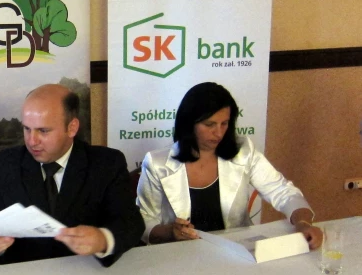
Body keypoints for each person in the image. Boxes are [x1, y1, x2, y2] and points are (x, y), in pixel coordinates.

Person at [137, 82, 323, 248]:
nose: (219, 133)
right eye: (209, 124)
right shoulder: (157, 163)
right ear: (189, 124)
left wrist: (303, 223)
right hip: (181, 255)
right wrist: (171, 232)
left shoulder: (244, 151)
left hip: (236, 251)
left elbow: (282, 191)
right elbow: (143, 221)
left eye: (224, 123)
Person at [0, 84, 145, 266]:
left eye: (43, 131)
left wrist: (103, 239)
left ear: (72, 128)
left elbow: (130, 223)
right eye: (27, 129)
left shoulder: (106, 164)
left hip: (87, 274)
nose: (32, 141)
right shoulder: (7, 164)